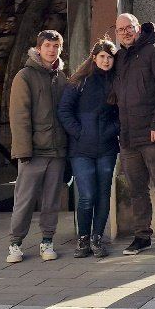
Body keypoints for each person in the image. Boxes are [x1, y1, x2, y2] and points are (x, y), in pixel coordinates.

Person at [112, 12, 155, 255]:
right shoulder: (120, 58)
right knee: (136, 189)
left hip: (154, 135)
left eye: (129, 27)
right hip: (129, 136)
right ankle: (142, 236)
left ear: (138, 27)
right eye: (120, 30)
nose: (125, 33)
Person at [7, 29, 69, 265]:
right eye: (47, 46)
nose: (52, 50)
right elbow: (19, 116)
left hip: (57, 150)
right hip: (33, 151)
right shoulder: (24, 76)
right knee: (24, 200)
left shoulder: (61, 77)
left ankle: (47, 240)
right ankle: (15, 243)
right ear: (39, 48)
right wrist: (23, 151)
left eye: (56, 46)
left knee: (51, 200)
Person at [58, 39, 121, 259]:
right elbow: (64, 111)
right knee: (87, 196)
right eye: (102, 56)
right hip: (81, 150)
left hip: (107, 148)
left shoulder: (116, 82)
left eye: (110, 57)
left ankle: (97, 239)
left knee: (103, 195)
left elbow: (122, 113)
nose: (106, 61)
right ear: (94, 58)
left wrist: (111, 131)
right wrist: (80, 133)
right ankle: (83, 239)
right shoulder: (78, 81)